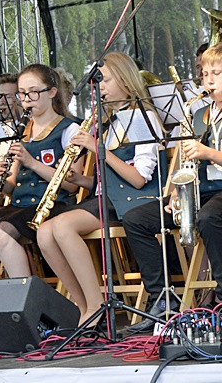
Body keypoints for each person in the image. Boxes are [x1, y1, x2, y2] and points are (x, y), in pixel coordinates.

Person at [123, 43, 222, 334]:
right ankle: (162, 299)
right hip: (200, 192)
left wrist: (208, 153)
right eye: (204, 74)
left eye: (217, 73)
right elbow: (184, 164)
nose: (209, 80)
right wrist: (177, 192)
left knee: (209, 216)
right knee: (136, 219)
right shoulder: (196, 112)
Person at [36, 52, 163, 325]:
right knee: (45, 233)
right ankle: (82, 305)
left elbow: (139, 178)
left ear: (125, 80)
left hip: (135, 200)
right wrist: (80, 179)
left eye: (104, 81)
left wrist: (97, 147)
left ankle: (96, 304)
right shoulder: (110, 122)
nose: (99, 88)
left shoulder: (142, 118)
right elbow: (109, 179)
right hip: (108, 198)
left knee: (62, 227)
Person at [0, 64, 92, 280]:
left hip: (52, 206)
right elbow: (13, 184)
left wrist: (32, 162)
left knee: (1, 235)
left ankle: (24, 302)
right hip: (20, 206)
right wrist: (2, 180)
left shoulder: (69, 129)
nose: (27, 99)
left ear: (51, 92)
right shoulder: (22, 131)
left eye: (33, 92)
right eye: (22, 93)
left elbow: (71, 185)